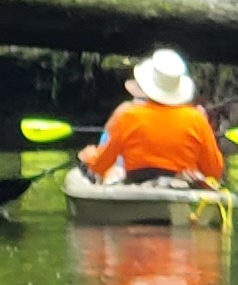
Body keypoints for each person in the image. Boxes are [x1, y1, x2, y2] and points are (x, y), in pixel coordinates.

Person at [79, 48, 229, 188]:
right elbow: (214, 170)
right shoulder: (197, 119)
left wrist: (88, 155)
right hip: (182, 184)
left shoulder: (128, 115)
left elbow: (100, 165)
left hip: (138, 184)